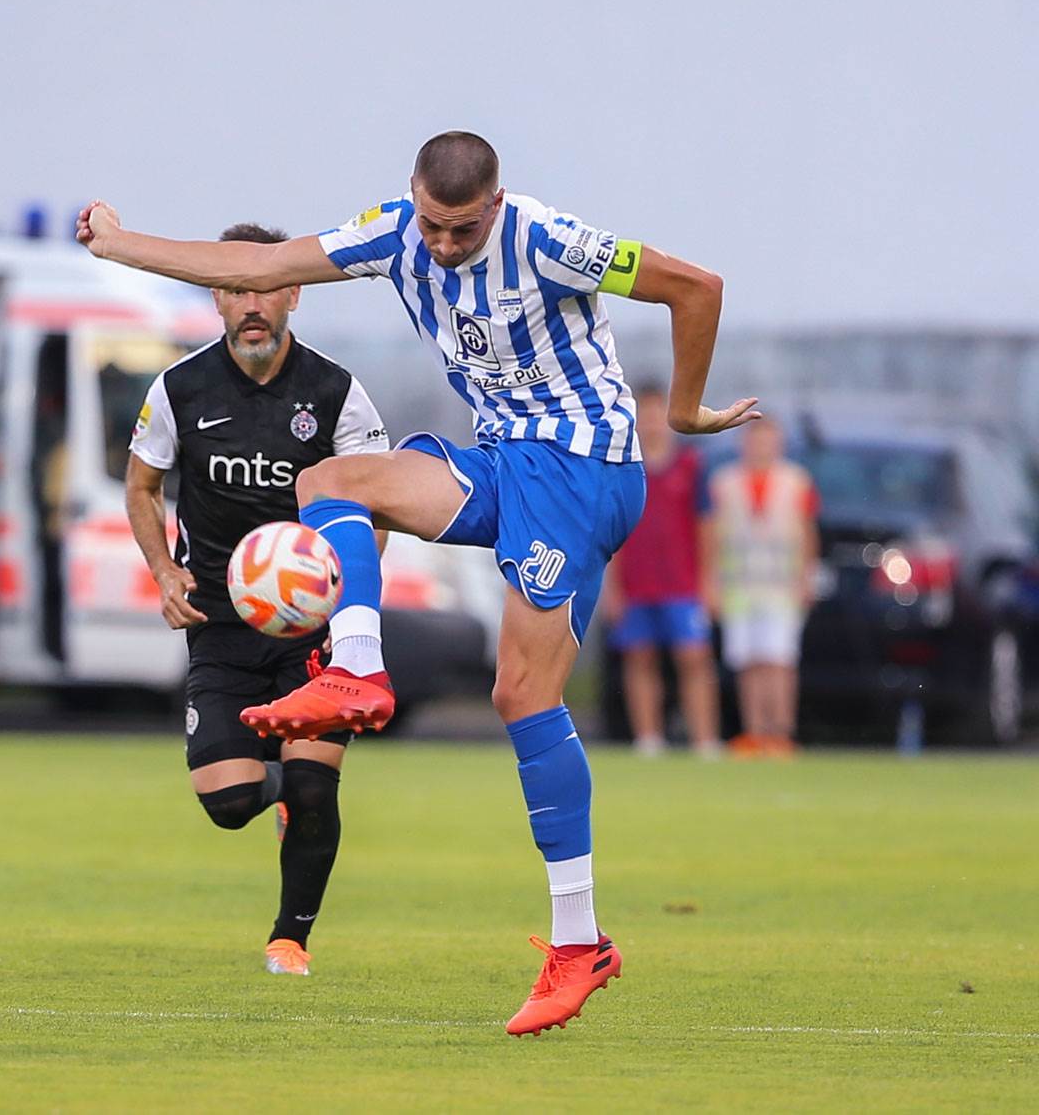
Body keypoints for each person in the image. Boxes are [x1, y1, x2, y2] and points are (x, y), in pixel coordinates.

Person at [76, 131, 760, 1036]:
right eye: (434, 226)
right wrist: (121, 246)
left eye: (462, 230)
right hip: (509, 462)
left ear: (498, 203)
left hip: (582, 468)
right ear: (413, 198)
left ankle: (578, 941)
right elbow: (261, 261)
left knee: (521, 697)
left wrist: (680, 412)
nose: (442, 246)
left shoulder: (549, 240)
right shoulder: (393, 235)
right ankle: (355, 663)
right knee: (329, 482)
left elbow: (696, 287)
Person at [124, 222, 390, 977]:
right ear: (215, 295)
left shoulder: (337, 393)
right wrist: (162, 570)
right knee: (229, 799)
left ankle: (290, 939)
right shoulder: (179, 389)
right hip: (220, 627)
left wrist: (353, 612)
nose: (253, 303)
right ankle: (278, 786)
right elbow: (142, 486)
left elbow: (377, 508)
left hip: (314, 633)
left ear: (294, 292)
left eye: (267, 286)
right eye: (237, 287)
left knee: (313, 785)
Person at [603, 384, 721, 757]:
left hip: (682, 584)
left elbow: (707, 528)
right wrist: (612, 587)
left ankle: (704, 740)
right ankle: (648, 739)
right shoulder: (622, 468)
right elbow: (613, 529)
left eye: (657, 412)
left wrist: (709, 581)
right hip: (637, 584)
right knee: (639, 657)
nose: (651, 422)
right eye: (645, 414)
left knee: (693, 657)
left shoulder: (691, 465)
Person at [702, 416, 819, 755]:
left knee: (778, 661)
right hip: (740, 586)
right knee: (748, 661)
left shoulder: (796, 481)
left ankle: (780, 731)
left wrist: (806, 578)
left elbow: (808, 533)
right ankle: (753, 731)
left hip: (781, 586)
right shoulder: (724, 482)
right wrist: (711, 582)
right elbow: (712, 536)